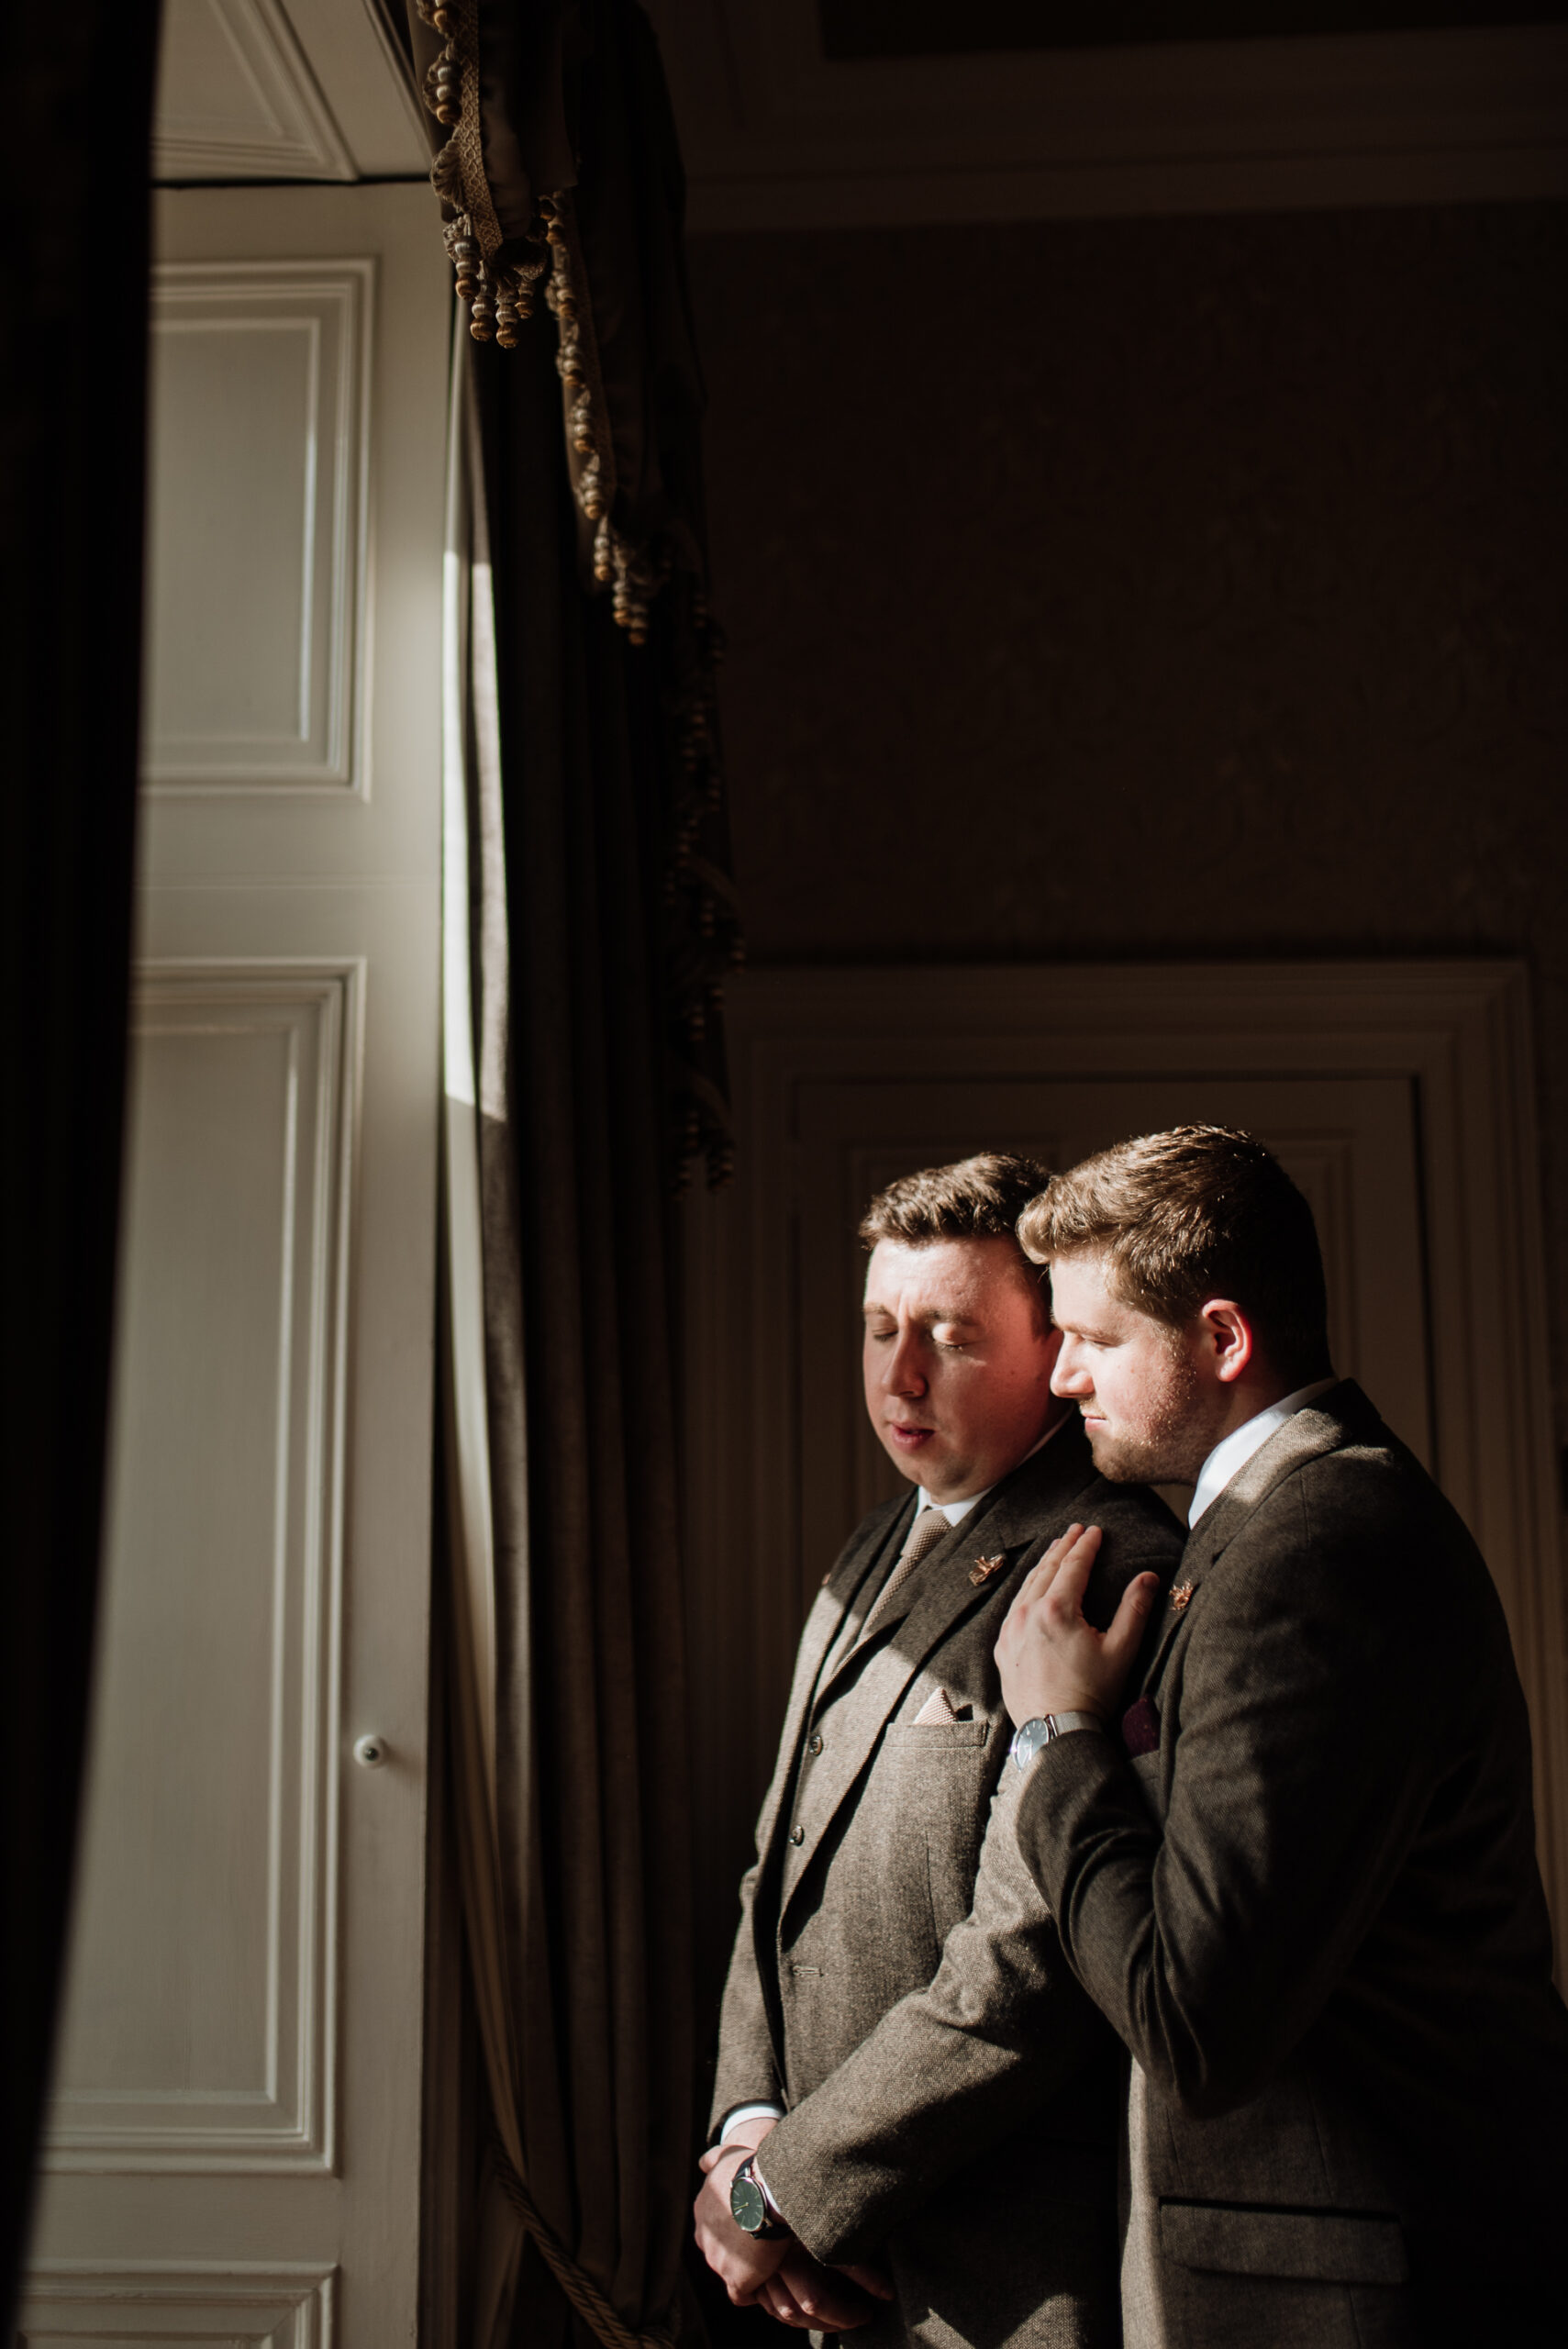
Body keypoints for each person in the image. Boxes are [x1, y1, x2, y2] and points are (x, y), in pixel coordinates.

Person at [994, 1124, 1568, 2347]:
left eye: (1092, 1339)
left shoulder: (1313, 1550)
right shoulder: (1273, 1524)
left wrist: (1053, 1731)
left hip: (1358, 2302)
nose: (1059, 1378)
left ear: (1220, 1337)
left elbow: (1192, 2025)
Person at [693, 1153, 1184, 2348]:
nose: (898, 1375)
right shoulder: (866, 1549)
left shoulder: (1110, 1562)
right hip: (834, 2268)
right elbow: (777, 1876)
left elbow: (1031, 1957)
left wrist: (780, 2197)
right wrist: (745, 2140)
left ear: (1051, 1349)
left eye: (952, 1338)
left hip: (1003, 2281)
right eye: (878, 1328)